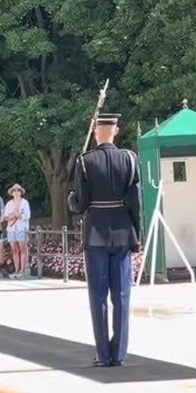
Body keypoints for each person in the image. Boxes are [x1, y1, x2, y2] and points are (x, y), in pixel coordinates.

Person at [67, 112, 143, 367]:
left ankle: (103, 353)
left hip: (96, 232)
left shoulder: (85, 162)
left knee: (98, 296)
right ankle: (119, 352)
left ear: (96, 131)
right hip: (122, 231)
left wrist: (71, 198)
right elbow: (135, 203)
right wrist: (137, 237)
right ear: (116, 130)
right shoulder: (130, 160)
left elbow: (81, 204)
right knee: (121, 295)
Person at [2, 183, 31, 278]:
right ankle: (16, 269)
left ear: (21, 192)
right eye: (14, 191)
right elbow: (6, 217)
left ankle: (22, 269)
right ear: (12, 193)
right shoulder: (9, 204)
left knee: (22, 249)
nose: (16, 192)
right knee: (14, 249)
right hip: (11, 228)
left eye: (18, 190)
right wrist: (13, 215)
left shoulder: (25, 203)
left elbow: (27, 216)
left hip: (22, 228)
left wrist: (20, 216)